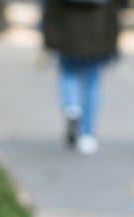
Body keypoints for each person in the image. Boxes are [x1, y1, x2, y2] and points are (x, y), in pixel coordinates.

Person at [41, 0, 121, 155]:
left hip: (68, 30)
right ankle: (87, 135)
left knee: (68, 73)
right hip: (98, 31)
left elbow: (51, 7)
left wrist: (49, 39)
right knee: (92, 82)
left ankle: (71, 106)